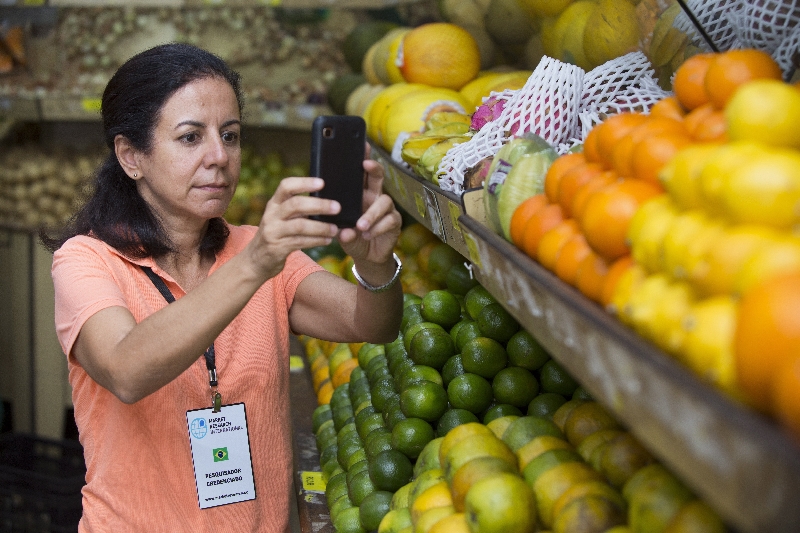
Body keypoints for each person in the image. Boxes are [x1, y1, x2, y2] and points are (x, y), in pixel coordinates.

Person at [43, 42, 403, 531]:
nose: (219, 157)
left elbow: (372, 323)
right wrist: (255, 264)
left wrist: (375, 264)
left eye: (230, 136)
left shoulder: (256, 249)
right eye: (190, 137)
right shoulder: (86, 260)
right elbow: (125, 369)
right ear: (131, 156)